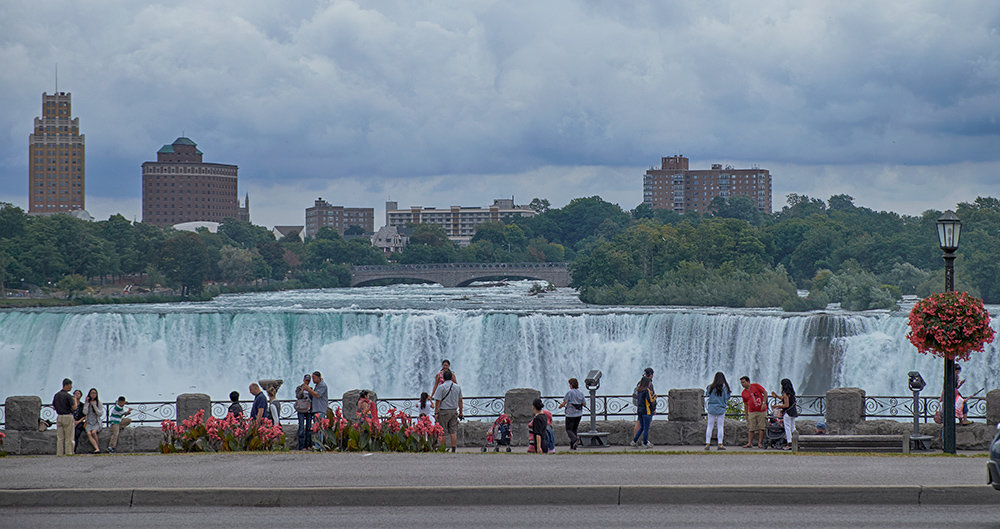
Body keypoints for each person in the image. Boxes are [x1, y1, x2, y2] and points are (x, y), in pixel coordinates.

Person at [433, 370, 463, 453]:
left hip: (443, 411)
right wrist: (461, 412)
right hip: (454, 411)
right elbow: (460, 400)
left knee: (443, 431)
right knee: (453, 431)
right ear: (451, 378)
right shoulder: (458, 387)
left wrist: (436, 412)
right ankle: (453, 449)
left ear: (444, 378)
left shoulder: (441, 387)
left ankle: (443, 449)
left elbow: (438, 401)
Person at [739, 376, 767, 448]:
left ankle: (760, 443)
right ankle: (749, 443)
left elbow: (765, 393)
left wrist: (764, 403)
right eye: (741, 383)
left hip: (761, 410)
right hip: (751, 411)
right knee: (751, 428)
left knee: (761, 427)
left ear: (748, 382)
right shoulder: (743, 393)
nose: (742, 384)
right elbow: (745, 404)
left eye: (743, 382)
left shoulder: (756, 386)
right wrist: (746, 414)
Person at [705, 372, 731, 451]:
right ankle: (720, 444)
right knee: (720, 426)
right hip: (721, 408)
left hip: (711, 408)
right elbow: (728, 397)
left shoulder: (711, 387)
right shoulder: (725, 388)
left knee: (709, 426)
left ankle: (707, 444)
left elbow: (707, 395)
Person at [559, 378, 586, 450]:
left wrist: (560, 406)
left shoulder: (569, 393)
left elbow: (564, 402)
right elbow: (584, 404)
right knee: (574, 429)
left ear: (571, 384)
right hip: (579, 414)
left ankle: (575, 439)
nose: (569, 386)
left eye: (569, 384)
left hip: (570, 414)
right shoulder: (581, 393)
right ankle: (573, 446)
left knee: (568, 429)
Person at [771, 378, 798, 450]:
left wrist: (777, 406)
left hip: (788, 413)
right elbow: (784, 399)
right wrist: (776, 396)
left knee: (787, 428)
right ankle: (796, 442)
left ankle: (789, 443)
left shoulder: (785, 393)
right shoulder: (791, 393)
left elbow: (786, 405)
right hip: (793, 412)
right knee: (793, 427)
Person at [305, 371, 329, 448]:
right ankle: (318, 444)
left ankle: (319, 445)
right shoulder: (318, 385)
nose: (313, 380)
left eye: (314, 378)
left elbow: (318, 395)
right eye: (312, 378)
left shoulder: (322, 385)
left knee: (320, 428)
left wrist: (308, 389)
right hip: (316, 409)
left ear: (319, 377)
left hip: (320, 409)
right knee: (317, 428)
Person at [52, 378, 75, 456]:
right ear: (67, 385)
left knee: (60, 437)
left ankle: (59, 453)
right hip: (68, 416)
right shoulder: (68, 396)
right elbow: (74, 407)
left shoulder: (56, 395)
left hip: (59, 417)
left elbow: (54, 407)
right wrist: (74, 399)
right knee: (69, 436)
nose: (71, 387)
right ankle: (69, 452)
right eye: (70, 385)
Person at [630, 376, 655, 448]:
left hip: (640, 411)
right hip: (646, 411)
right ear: (647, 383)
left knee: (642, 428)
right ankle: (645, 443)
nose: (650, 383)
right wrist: (655, 396)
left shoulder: (639, 390)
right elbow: (650, 400)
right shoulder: (647, 391)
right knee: (646, 428)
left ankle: (634, 441)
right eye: (650, 382)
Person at [295, 374, 312, 450]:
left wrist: (309, 390)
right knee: (301, 427)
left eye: (308, 381)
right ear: (303, 380)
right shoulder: (299, 388)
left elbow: (312, 397)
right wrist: (302, 390)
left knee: (309, 428)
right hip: (301, 409)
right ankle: (301, 446)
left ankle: (308, 445)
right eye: (306, 380)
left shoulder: (310, 388)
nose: (307, 382)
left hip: (308, 409)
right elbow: (298, 396)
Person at [83, 388, 103, 454]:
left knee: (94, 432)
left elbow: (100, 413)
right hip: (89, 422)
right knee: (89, 433)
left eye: (94, 393)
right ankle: (97, 448)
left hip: (96, 422)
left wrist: (94, 405)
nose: (93, 394)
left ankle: (97, 448)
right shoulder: (87, 403)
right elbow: (85, 412)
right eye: (92, 393)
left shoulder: (98, 402)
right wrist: (86, 403)